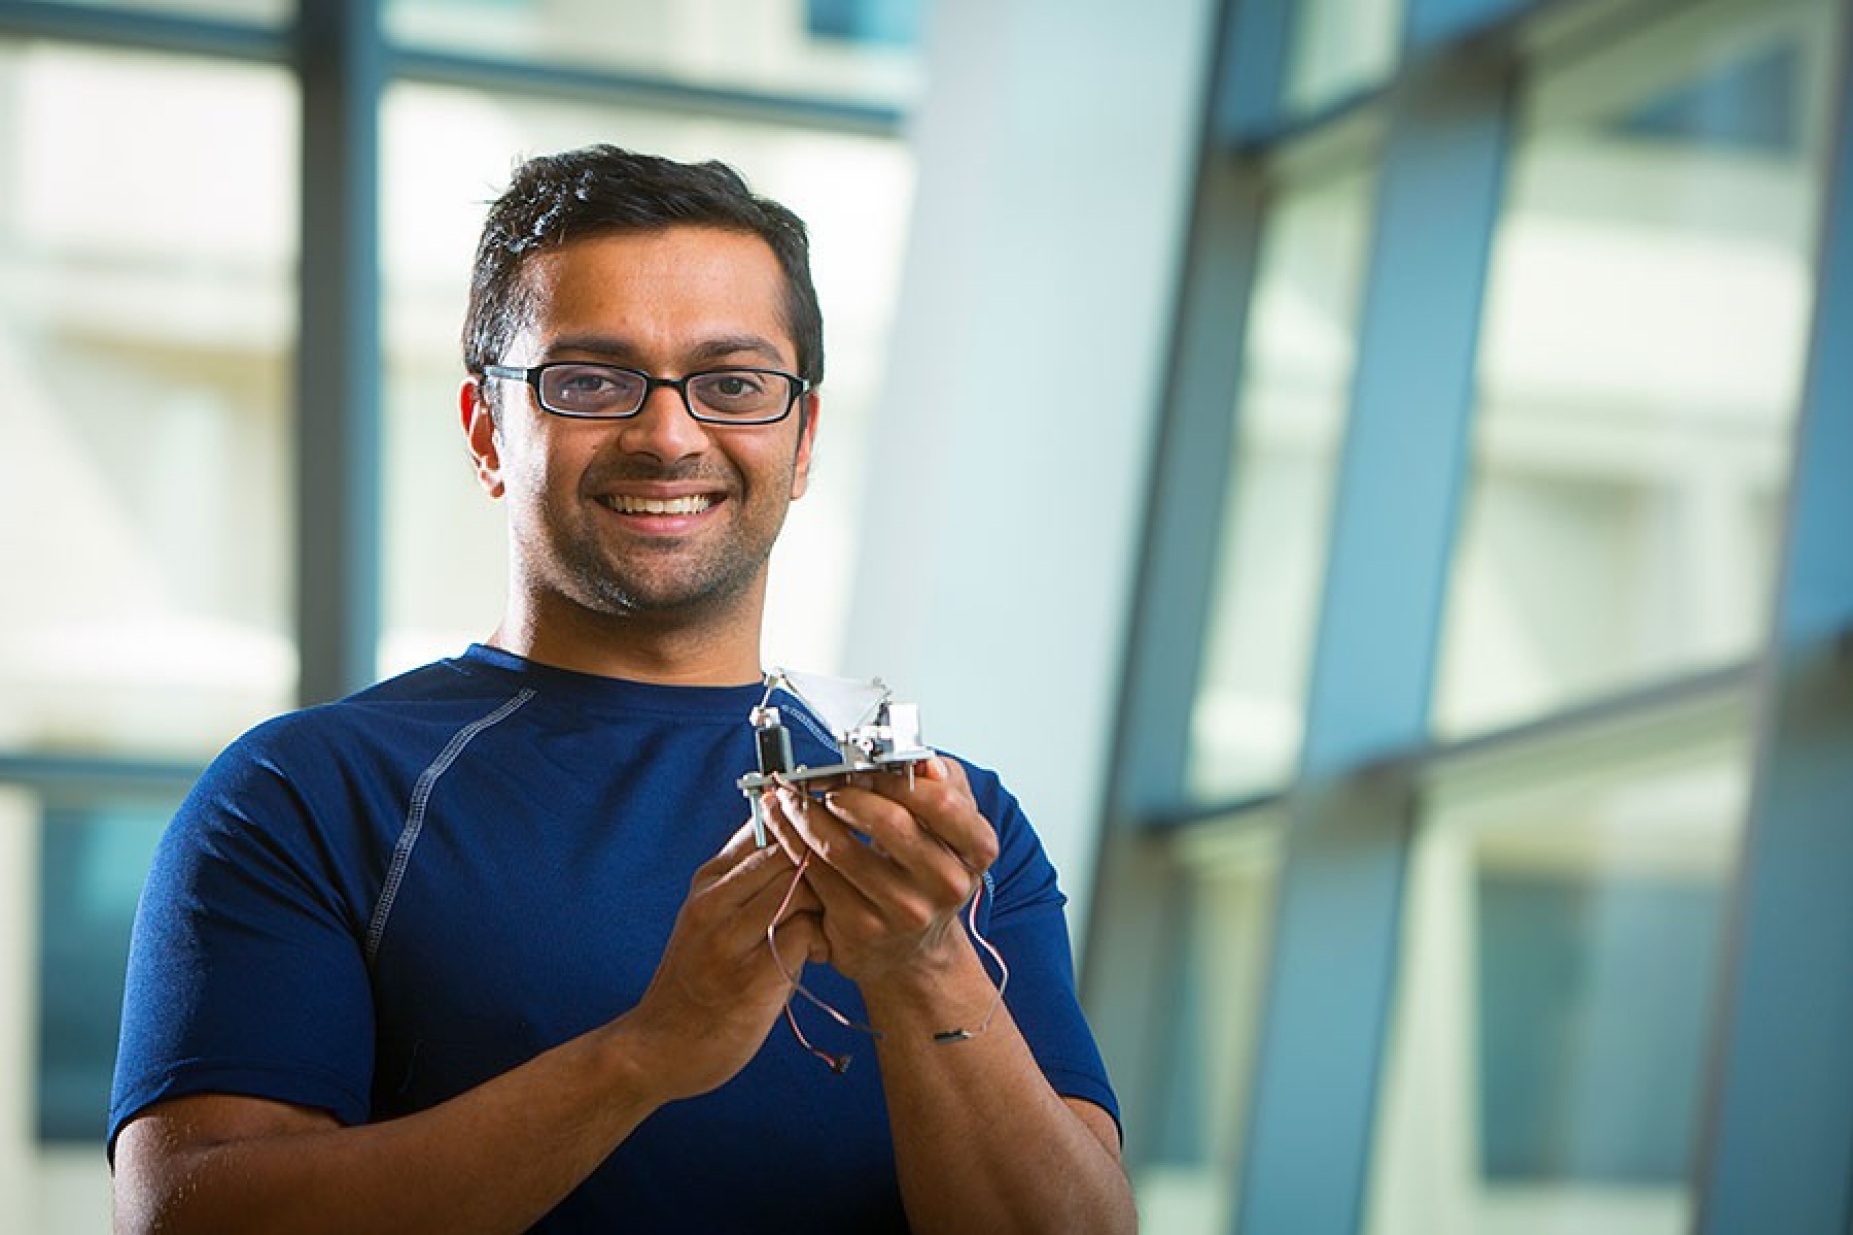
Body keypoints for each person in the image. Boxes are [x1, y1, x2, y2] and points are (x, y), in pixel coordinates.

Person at [108, 144, 1136, 1235]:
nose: (668, 433)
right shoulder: (307, 791)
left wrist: (924, 965)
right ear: (484, 430)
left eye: (732, 383)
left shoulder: (945, 828)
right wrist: (646, 1052)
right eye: (590, 380)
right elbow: (187, 1217)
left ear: (802, 439)